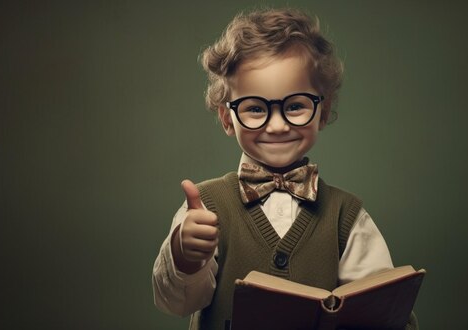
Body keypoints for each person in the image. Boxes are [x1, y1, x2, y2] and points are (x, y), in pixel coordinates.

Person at [152, 7, 418, 330]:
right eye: (254, 108)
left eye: (294, 106)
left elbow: (381, 307)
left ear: (322, 111)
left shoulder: (347, 218)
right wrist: (184, 255)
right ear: (227, 117)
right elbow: (177, 301)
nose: (277, 126)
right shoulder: (205, 207)